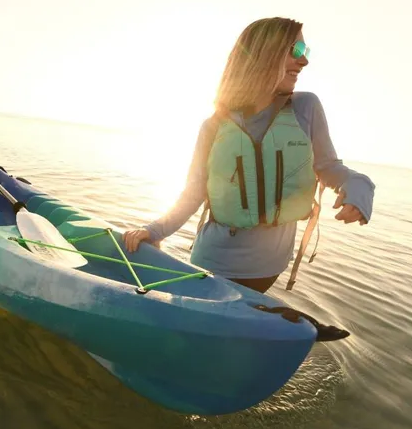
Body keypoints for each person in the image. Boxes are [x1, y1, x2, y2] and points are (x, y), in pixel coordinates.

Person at [122, 17, 375, 294]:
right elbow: (193, 193)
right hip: (213, 263)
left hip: (269, 268)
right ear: (265, 53)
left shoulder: (306, 107)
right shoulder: (213, 126)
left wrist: (358, 184)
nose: (304, 62)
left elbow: (328, 168)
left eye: (306, 53)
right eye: (296, 51)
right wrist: (154, 231)